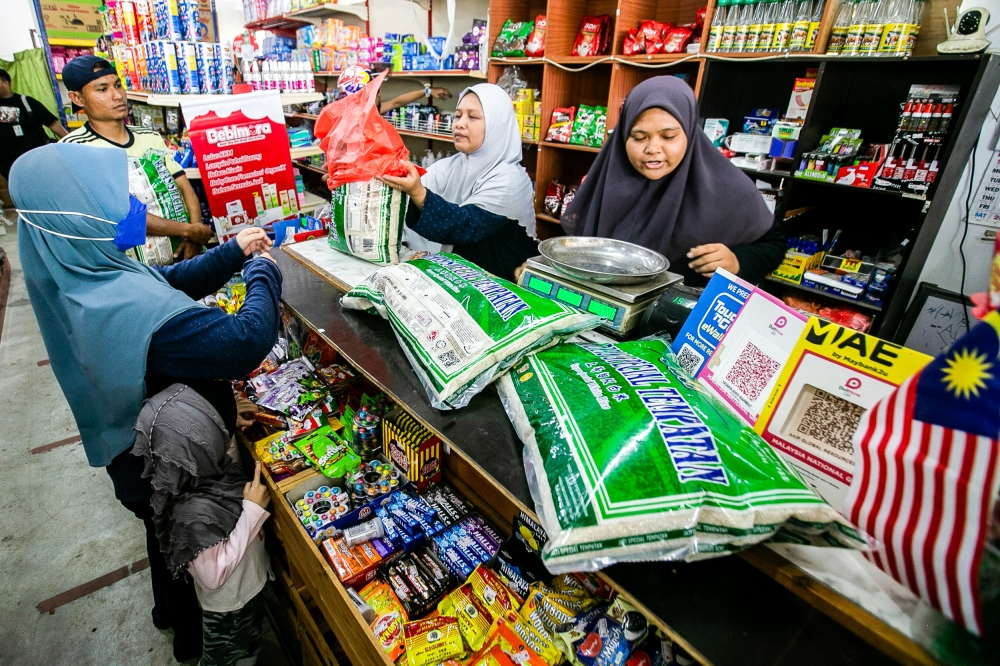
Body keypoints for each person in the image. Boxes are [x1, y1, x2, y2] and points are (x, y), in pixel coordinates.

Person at [9, 142, 282, 663]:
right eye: (118, 197)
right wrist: (263, 271)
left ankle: (167, 614)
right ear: (81, 214)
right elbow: (244, 342)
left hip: (136, 460)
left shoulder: (82, 272)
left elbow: (162, 282)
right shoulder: (123, 310)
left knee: (163, 542)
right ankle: (194, 642)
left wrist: (232, 251)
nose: (136, 207)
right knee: (190, 551)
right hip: (168, 472)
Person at [561, 76, 785, 287]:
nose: (653, 149)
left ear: (689, 132)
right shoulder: (607, 180)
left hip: (683, 309)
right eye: (639, 137)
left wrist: (737, 261)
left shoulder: (729, 187)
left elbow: (773, 245)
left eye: (668, 136)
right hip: (607, 305)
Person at [133, 386, 272, 666]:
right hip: (229, 607)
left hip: (247, 588)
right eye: (212, 430)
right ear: (200, 449)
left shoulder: (200, 473)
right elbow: (213, 575)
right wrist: (252, 512)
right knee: (224, 657)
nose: (221, 435)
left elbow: (224, 456)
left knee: (249, 644)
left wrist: (229, 419)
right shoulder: (192, 514)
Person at [59, 55, 213, 261]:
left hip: (182, 255)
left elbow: (184, 186)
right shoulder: (74, 149)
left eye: (118, 85)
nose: (117, 96)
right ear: (78, 98)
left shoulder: (150, 136)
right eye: (102, 89)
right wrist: (190, 231)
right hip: (129, 266)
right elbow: (119, 213)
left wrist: (194, 235)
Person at [379, 83, 538, 281]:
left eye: (473, 117)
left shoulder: (511, 179)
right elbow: (406, 197)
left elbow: (465, 226)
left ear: (497, 126)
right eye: (457, 115)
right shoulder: (449, 166)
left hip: (503, 282)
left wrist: (418, 192)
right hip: (463, 279)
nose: (459, 124)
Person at [0, 67, 67, 182]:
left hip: (35, 158)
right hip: (8, 163)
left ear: (6, 83)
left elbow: (53, 124)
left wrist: (70, 143)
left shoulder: (26, 102)